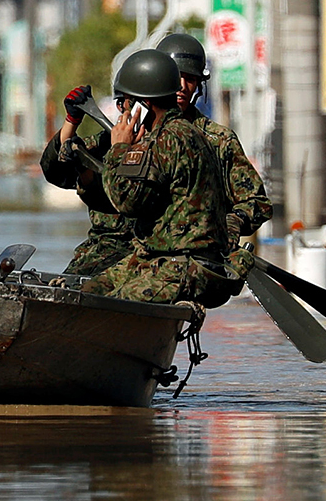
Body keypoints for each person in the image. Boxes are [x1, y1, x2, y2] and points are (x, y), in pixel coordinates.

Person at [79, 50, 242, 308]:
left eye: (128, 102)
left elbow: (125, 202)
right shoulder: (182, 132)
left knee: (98, 307)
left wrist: (119, 148)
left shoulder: (168, 139)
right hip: (160, 258)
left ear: (144, 104)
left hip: (183, 266)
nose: (125, 110)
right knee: (86, 290)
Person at [156, 32, 272, 244]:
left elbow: (257, 202)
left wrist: (234, 221)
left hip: (200, 257)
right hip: (141, 259)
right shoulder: (132, 134)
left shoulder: (218, 140)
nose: (182, 86)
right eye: (176, 77)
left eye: (190, 79)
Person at [39, 84, 133, 275]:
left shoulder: (166, 144)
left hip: (140, 249)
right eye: (127, 103)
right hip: (101, 248)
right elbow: (55, 171)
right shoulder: (105, 143)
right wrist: (72, 121)